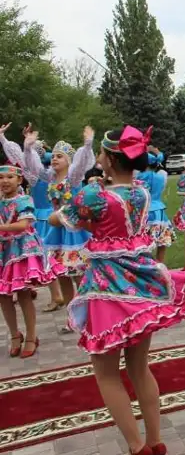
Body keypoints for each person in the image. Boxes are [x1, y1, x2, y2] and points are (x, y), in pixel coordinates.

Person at [49, 125, 185, 455]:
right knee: (139, 367)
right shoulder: (141, 193)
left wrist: (65, 208)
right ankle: (155, 441)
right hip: (139, 284)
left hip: (106, 287)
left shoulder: (94, 195)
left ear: (108, 159)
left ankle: (138, 449)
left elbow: (58, 220)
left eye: (102, 154)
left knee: (106, 372)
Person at [23, 126, 96, 333]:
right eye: (53, 156)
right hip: (57, 231)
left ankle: (88, 315)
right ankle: (72, 317)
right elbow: (32, 167)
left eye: (59, 157)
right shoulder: (49, 178)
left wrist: (88, 144)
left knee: (79, 275)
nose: (54, 159)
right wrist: (28, 148)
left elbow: (82, 163)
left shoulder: (72, 179)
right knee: (62, 274)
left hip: (74, 231)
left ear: (69, 161)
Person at [0, 125, 65, 312]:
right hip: (51, 216)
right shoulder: (52, 175)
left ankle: (56, 295)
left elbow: (19, 158)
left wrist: (4, 139)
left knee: (47, 258)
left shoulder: (36, 176)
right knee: (49, 258)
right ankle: (55, 294)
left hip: (38, 217)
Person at [0, 163, 62, 358]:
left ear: (19, 180)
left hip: (21, 251)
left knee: (23, 293)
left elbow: (24, 224)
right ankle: (14, 335)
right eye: (1, 178)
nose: (4, 181)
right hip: (3, 251)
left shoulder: (24, 199)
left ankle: (32, 336)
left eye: (10, 177)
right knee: (3, 296)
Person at [136, 148, 175, 264]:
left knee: (143, 242)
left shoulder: (139, 177)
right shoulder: (161, 176)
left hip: (144, 212)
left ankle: (146, 266)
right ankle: (160, 266)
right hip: (159, 212)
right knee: (161, 241)